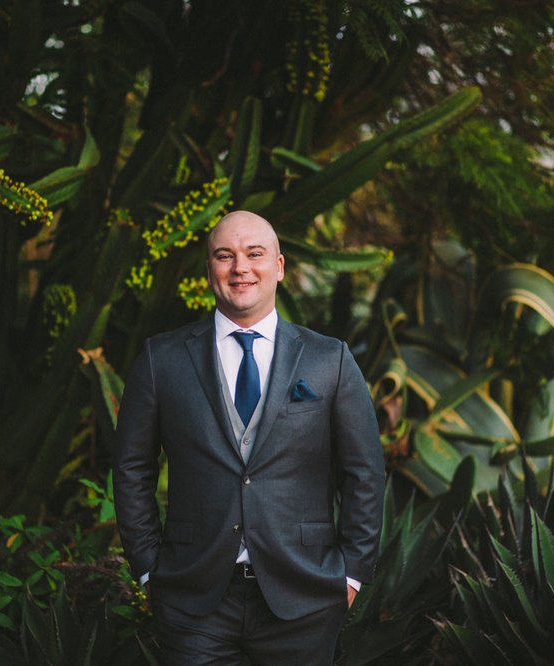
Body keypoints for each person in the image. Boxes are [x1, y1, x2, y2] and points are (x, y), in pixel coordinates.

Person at [114, 210, 385, 665]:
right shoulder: (162, 359)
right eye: (225, 256)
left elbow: (364, 472)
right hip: (193, 598)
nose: (240, 267)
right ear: (210, 270)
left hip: (305, 596)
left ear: (278, 266)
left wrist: (351, 575)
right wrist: (148, 570)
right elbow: (131, 467)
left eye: (254, 254)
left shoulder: (329, 360)